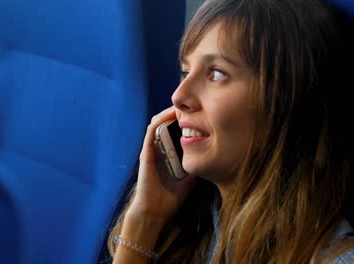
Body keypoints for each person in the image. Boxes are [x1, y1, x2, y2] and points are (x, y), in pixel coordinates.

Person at [107, 0, 354, 263]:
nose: (178, 96)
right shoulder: (198, 227)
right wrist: (145, 218)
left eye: (216, 73)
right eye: (185, 71)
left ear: (291, 104)